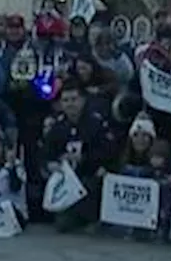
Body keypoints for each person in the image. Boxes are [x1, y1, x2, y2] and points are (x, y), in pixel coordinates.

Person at [43, 83, 117, 233]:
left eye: (74, 99)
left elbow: (109, 152)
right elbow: (46, 154)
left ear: (83, 100)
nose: (70, 104)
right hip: (66, 183)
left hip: (90, 176)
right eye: (66, 100)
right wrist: (51, 165)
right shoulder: (57, 127)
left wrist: (83, 158)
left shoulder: (96, 124)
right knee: (63, 226)